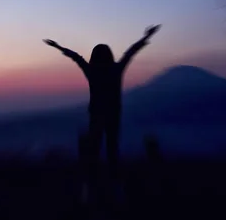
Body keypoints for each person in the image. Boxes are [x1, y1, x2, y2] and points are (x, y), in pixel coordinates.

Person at [43, 25, 161, 200]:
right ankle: (114, 187)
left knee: (94, 151)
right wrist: (145, 38)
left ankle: (91, 188)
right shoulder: (116, 69)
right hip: (113, 115)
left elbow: (76, 57)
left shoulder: (92, 71)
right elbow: (131, 52)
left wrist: (58, 46)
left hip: (97, 115)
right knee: (112, 150)